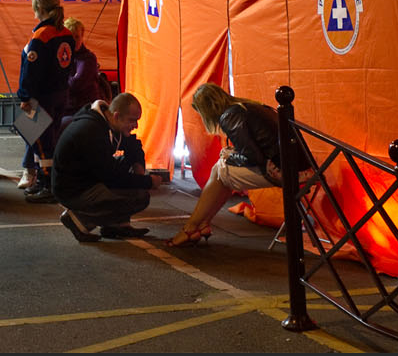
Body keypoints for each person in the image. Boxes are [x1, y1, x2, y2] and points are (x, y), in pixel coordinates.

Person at [169, 82, 309, 247]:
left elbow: (252, 157)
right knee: (220, 169)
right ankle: (201, 224)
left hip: (282, 170)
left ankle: (193, 226)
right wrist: (231, 155)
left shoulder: (229, 116)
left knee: (221, 170)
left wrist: (230, 157)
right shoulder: (246, 107)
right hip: (295, 164)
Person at [51, 92, 163, 243]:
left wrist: (139, 169)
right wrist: (148, 181)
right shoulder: (91, 131)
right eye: (132, 120)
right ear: (116, 116)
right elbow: (112, 178)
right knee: (139, 197)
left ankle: (117, 226)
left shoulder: (108, 123)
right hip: (72, 190)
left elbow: (135, 146)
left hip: (85, 180)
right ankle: (78, 220)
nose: (135, 125)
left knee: (136, 185)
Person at [15, 0, 75, 204]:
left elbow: (32, 71)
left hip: (43, 96)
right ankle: (43, 181)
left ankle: (47, 184)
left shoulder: (41, 36)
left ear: (38, 8)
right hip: (61, 93)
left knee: (40, 141)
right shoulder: (66, 33)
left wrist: (25, 97)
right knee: (47, 138)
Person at [62, 17, 113, 117]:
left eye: (77, 37)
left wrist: (59, 78)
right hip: (66, 109)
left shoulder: (88, 59)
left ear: (82, 36)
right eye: (70, 37)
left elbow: (74, 85)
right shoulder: (62, 57)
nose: (74, 41)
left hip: (84, 111)